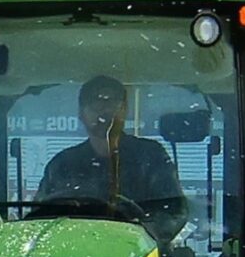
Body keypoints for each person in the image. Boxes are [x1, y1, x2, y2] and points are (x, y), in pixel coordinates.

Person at [33, 75, 187, 241]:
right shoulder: (62, 165)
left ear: (124, 112)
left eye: (112, 105)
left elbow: (173, 213)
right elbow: (40, 218)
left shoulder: (150, 156)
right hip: (72, 253)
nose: (104, 113)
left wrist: (140, 236)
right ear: (81, 114)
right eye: (95, 107)